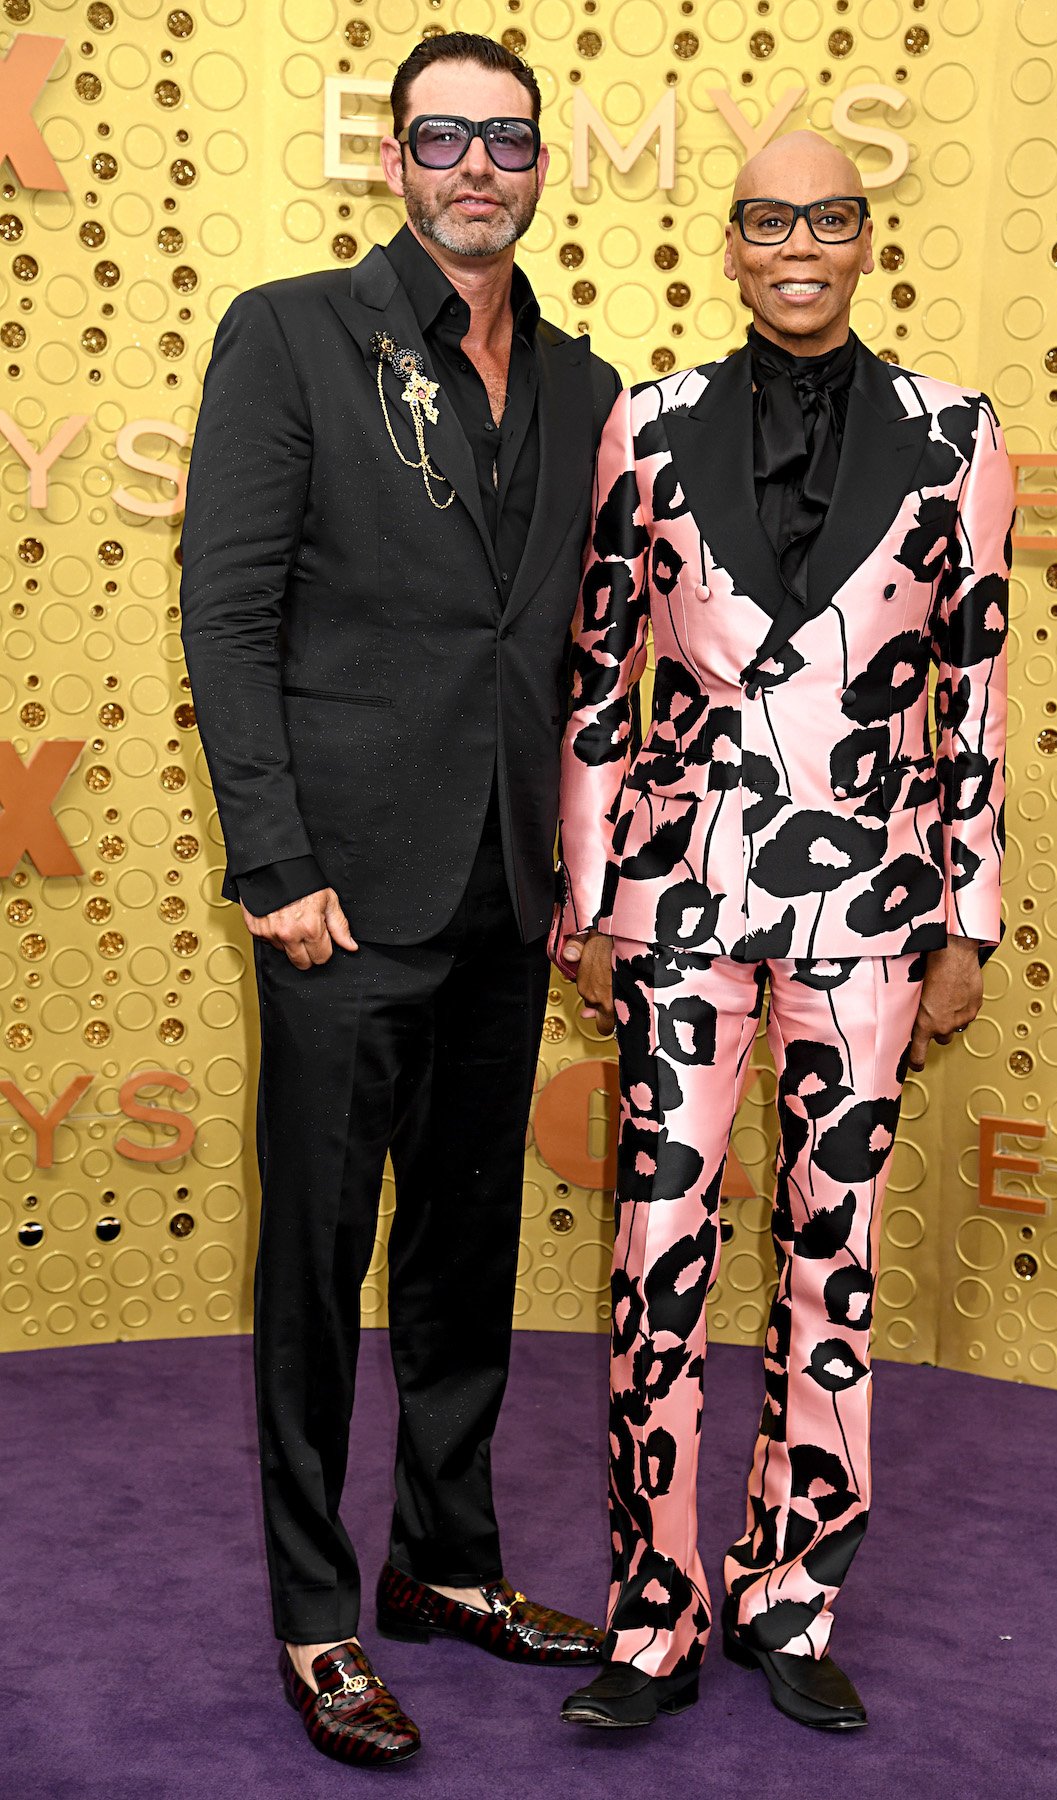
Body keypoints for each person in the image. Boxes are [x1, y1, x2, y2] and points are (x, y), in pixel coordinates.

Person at [181, 32, 618, 1769]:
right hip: (342, 898)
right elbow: (229, 613)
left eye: (507, 139)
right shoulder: (293, 331)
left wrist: (589, 870)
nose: (477, 167)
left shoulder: (586, 385)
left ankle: (448, 1564)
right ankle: (316, 1613)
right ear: (394, 159)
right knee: (317, 1262)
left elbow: (577, 643)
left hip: (512, 886)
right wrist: (274, 865)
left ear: (538, 162)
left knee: (465, 1254)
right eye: (443, 137)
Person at [553, 131, 1011, 1732]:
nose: (798, 244)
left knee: (837, 1265)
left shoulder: (959, 436)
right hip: (681, 908)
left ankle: (791, 1596)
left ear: (863, 239)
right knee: (655, 1263)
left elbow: (978, 693)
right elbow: (604, 668)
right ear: (731, 246)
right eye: (769, 221)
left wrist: (972, 916)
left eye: (827, 218)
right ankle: (654, 1616)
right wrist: (594, 898)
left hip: (878, 920)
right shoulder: (651, 421)